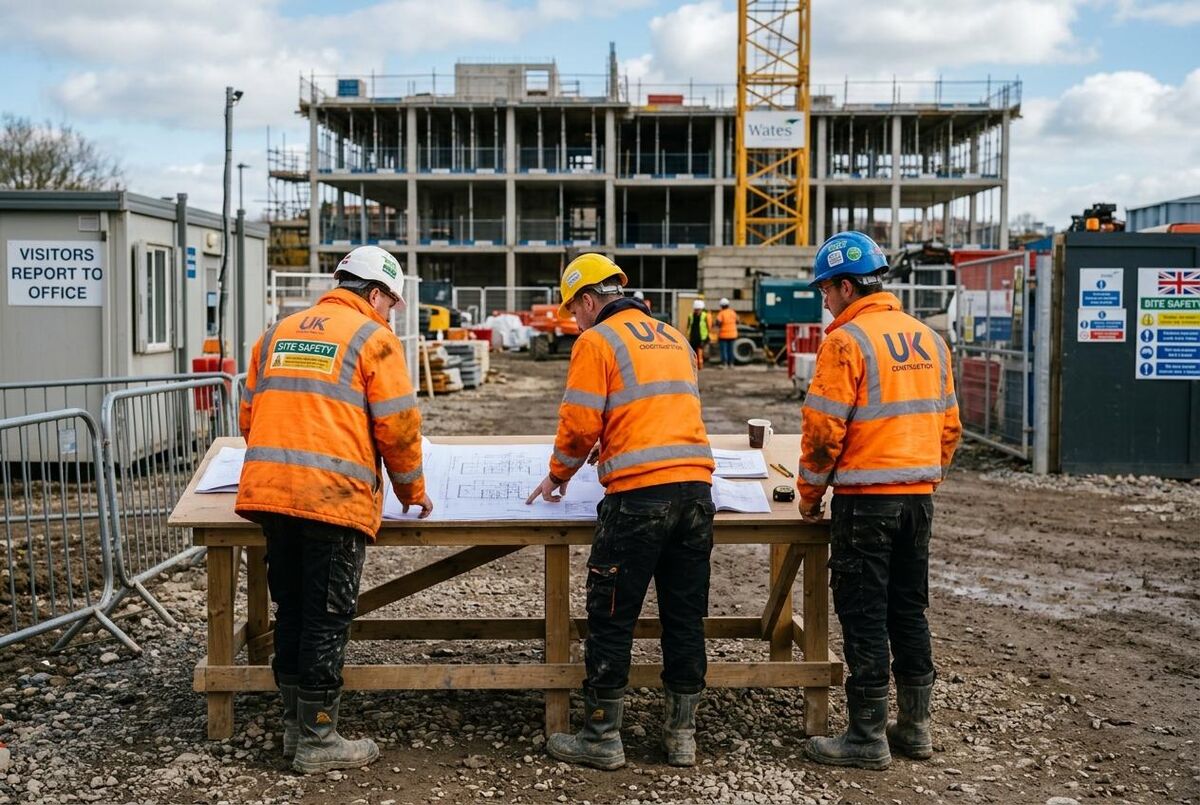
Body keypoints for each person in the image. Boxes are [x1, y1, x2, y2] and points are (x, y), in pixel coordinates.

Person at [237, 245, 433, 774]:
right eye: (390, 301)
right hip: (334, 499)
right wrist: (413, 492)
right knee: (327, 617)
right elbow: (398, 425)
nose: (391, 311)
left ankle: (294, 726)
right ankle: (319, 741)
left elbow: (250, 414)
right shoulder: (373, 338)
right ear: (375, 293)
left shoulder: (278, 332)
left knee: (293, 611)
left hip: (273, 494)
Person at [526, 253, 716, 771]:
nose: (574, 321)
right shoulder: (674, 336)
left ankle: (602, 737)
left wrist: (558, 474)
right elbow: (660, 407)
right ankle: (681, 737)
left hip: (637, 499)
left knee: (612, 618)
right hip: (695, 493)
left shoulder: (597, 340)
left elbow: (579, 422)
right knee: (684, 617)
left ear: (589, 300)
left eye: (573, 311)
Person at [797, 231, 961, 771]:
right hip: (917, 500)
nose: (824, 299)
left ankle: (867, 736)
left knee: (864, 614)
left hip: (867, 502)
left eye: (826, 289)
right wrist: (925, 479)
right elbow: (950, 426)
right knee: (907, 610)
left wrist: (808, 493)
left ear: (846, 286)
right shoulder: (929, 339)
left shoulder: (847, 342)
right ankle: (915, 727)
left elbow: (823, 431)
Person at [684, 298, 711, 370]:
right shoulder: (691, 315)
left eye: (698, 309)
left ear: (701, 309)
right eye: (696, 309)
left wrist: (707, 336)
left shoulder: (705, 315)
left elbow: (709, 326)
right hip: (693, 336)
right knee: (693, 353)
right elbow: (688, 326)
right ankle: (694, 366)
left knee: (700, 352)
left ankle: (700, 366)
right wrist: (688, 335)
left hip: (701, 337)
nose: (697, 311)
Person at [714, 298, 739, 369]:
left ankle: (724, 364)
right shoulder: (733, 312)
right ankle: (731, 364)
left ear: (721, 305)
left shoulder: (721, 313)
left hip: (723, 335)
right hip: (733, 335)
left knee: (724, 350)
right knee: (731, 350)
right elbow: (737, 321)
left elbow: (718, 323)